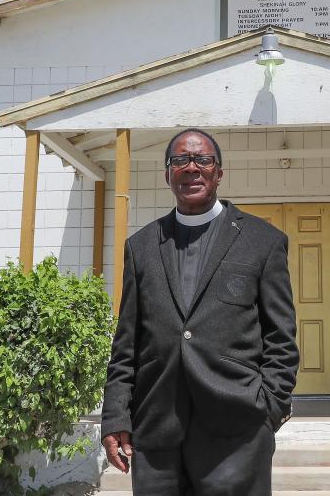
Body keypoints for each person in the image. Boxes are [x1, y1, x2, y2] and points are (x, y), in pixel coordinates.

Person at [101, 128, 299, 495]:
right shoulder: (141, 247)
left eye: (202, 159)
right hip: (158, 430)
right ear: (167, 174)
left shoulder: (262, 242)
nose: (191, 167)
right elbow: (126, 343)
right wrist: (115, 416)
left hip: (237, 431)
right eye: (180, 160)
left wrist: (269, 407)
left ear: (218, 172)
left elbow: (281, 338)